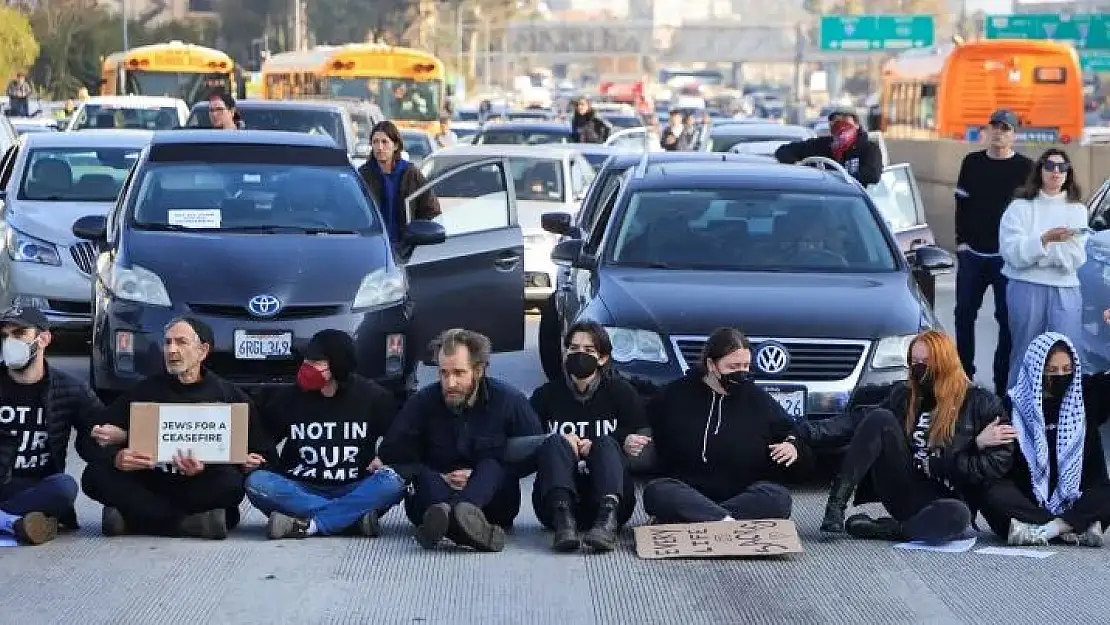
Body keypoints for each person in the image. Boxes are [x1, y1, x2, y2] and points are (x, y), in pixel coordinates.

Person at [81, 317, 276, 539]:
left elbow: (267, 455)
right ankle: (188, 524)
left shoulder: (229, 397)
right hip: (150, 482)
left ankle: (134, 518)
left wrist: (248, 463)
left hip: (196, 487)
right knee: (95, 475)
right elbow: (88, 443)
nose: (171, 350)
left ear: (203, 350)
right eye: (167, 343)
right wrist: (116, 454)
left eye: (181, 342)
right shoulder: (145, 391)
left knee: (230, 484)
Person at [820, 330, 1012, 544]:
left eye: (927, 362)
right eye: (914, 362)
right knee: (880, 418)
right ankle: (836, 506)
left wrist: (971, 446)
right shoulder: (906, 395)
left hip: (947, 497)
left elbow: (996, 465)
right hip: (905, 484)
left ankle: (894, 530)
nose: (920, 368)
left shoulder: (981, 403)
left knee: (958, 516)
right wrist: (798, 435)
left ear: (945, 362)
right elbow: (858, 421)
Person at [379, 328, 543, 552]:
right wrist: (439, 476)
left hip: (491, 502)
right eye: (444, 373)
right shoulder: (423, 402)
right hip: (434, 498)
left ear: (479, 370)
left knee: (491, 466)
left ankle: (452, 522)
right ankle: (471, 531)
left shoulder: (509, 401)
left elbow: (533, 451)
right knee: (423, 475)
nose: (450, 383)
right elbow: (393, 452)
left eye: (458, 373)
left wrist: (477, 479)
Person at [245, 330, 406, 540]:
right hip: (299, 487)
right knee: (257, 482)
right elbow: (263, 440)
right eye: (306, 360)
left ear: (338, 365)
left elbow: (402, 440)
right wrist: (253, 458)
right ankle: (350, 520)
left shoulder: (373, 397)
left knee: (394, 482)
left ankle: (309, 525)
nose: (307, 367)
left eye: (316, 361)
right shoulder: (289, 398)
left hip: (354, 486)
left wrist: (385, 457)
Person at [640, 327, 808, 524]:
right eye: (733, 367)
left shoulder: (758, 400)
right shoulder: (675, 395)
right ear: (711, 364)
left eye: (745, 366)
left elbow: (793, 434)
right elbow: (638, 420)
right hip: (687, 491)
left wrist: (793, 447)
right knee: (657, 491)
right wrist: (632, 438)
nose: (741, 373)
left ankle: (710, 517)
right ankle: (723, 519)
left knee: (778, 498)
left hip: (741, 495)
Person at [977, 332, 1110, 547]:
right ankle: (1076, 527)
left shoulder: (1085, 395)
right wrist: (979, 442)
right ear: (1036, 370)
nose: (1060, 376)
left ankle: (1047, 530)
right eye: (1052, 370)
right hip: (1029, 501)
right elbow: (988, 461)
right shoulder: (1013, 406)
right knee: (989, 491)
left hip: (1078, 498)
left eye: (1067, 370)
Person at [530, 322, 647, 552]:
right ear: (564, 354)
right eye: (573, 349)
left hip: (609, 501)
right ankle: (564, 521)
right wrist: (560, 444)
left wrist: (614, 444)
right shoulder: (546, 395)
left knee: (604, 443)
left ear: (602, 358)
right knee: (555, 441)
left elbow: (644, 441)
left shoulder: (620, 393)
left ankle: (606, 521)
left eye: (588, 350)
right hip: (554, 506)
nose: (579, 355)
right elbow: (524, 442)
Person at [0, 307, 104, 545]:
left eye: (19, 333)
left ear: (43, 339)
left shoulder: (69, 388)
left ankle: (11, 519)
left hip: (39, 486)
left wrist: (102, 439)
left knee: (64, 487)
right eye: (5, 336)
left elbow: (100, 430)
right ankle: (18, 523)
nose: (9, 342)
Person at [953, 109, 1033, 398]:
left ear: (1014, 134)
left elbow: (1031, 212)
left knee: (1007, 321)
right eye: (995, 127)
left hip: (1007, 258)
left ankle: (1003, 385)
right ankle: (963, 377)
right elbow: (961, 204)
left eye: (1006, 128)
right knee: (964, 314)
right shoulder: (972, 162)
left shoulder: (1026, 168)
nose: (999, 132)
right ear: (987, 131)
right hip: (972, 253)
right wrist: (961, 244)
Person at [999, 148, 1088, 390]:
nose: (1056, 172)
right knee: (1025, 352)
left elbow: (1075, 257)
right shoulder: (1020, 207)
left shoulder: (1077, 210)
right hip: (1025, 288)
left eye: (1062, 167)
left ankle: (1067, 417)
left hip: (1065, 290)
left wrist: (1037, 248)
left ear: (1068, 173)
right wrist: (1047, 240)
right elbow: (1012, 253)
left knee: (1068, 354)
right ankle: (1018, 413)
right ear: (1040, 170)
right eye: (1050, 166)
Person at [356, 120, 441, 244]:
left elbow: (431, 210)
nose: (379, 147)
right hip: (373, 244)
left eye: (384, 142)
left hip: (406, 247)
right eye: (375, 142)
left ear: (395, 145)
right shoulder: (363, 175)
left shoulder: (410, 173)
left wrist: (417, 234)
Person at [774, 109, 882, 185]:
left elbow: (872, 175)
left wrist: (839, 177)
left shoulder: (868, 148)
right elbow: (784, 151)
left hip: (852, 202)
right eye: (836, 122)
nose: (841, 126)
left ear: (857, 125)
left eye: (845, 121)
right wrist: (800, 166)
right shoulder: (820, 145)